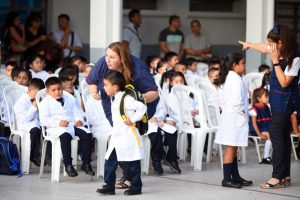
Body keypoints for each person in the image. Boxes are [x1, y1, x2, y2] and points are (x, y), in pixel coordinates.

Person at [86, 42, 159, 190]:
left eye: (112, 57)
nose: (107, 59)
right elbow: (91, 81)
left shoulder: (138, 69)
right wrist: (93, 91)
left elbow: (153, 93)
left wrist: (133, 101)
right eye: (107, 55)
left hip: (133, 115)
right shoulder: (103, 63)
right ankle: (113, 184)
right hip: (113, 111)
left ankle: (132, 181)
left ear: (122, 58)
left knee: (128, 148)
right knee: (114, 151)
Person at [239, 24, 300, 189]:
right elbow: (263, 47)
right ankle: (285, 176)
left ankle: (277, 177)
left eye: (271, 43)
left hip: (285, 103)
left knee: (276, 135)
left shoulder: (294, 59)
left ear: (280, 43)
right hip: (279, 102)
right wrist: (250, 45)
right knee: (284, 137)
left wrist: (275, 62)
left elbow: (284, 82)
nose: (268, 46)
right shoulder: (278, 50)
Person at [96, 71, 146, 196]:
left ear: (115, 87)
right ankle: (109, 186)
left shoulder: (126, 99)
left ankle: (136, 187)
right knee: (109, 161)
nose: (104, 87)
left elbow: (142, 107)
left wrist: (133, 119)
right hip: (117, 137)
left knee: (132, 162)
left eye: (106, 85)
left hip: (127, 136)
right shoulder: (114, 98)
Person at [39, 77, 95, 177]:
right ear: (47, 91)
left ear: (62, 88)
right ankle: (68, 164)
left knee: (87, 134)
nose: (57, 92)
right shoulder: (44, 103)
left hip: (71, 124)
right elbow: (44, 120)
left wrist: (79, 120)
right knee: (65, 136)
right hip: (55, 128)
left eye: (59, 89)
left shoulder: (69, 98)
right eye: (53, 90)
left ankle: (86, 163)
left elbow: (77, 111)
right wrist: (58, 123)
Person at [214, 53, 253, 189]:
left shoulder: (231, 77)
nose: (244, 65)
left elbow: (221, 99)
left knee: (234, 147)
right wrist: (242, 112)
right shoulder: (234, 79)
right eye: (242, 63)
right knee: (231, 148)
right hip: (234, 118)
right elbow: (237, 101)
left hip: (230, 117)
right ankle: (226, 179)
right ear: (235, 65)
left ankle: (235, 176)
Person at [14, 78, 45, 166]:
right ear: (30, 90)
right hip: (24, 125)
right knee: (35, 130)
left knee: (47, 130)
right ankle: (34, 155)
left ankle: (47, 155)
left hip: (36, 124)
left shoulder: (38, 100)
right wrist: (34, 107)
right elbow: (23, 119)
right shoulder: (20, 102)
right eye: (36, 94)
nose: (37, 97)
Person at [249, 88, 272, 164]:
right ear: (259, 99)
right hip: (257, 130)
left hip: (266, 128)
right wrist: (259, 134)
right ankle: (265, 157)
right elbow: (254, 124)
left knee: (277, 134)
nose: (268, 98)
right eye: (266, 97)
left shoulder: (267, 107)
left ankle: (275, 155)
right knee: (270, 135)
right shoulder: (254, 110)